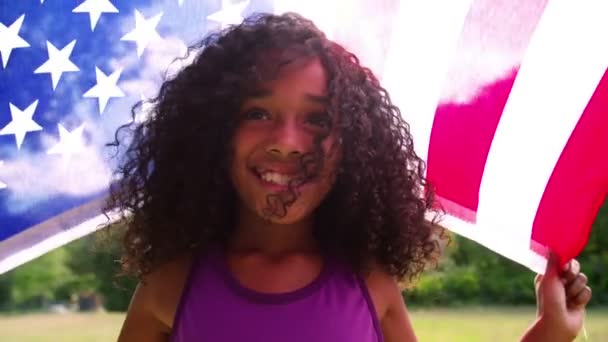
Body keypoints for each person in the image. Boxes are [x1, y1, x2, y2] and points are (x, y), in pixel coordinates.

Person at [109, 12, 592, 342]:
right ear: (212, 131)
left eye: (318, 120)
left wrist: (549, 331)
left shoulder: (369, 282)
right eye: (257, 112)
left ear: (355, 149)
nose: (288, 141)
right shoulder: (171, 284)